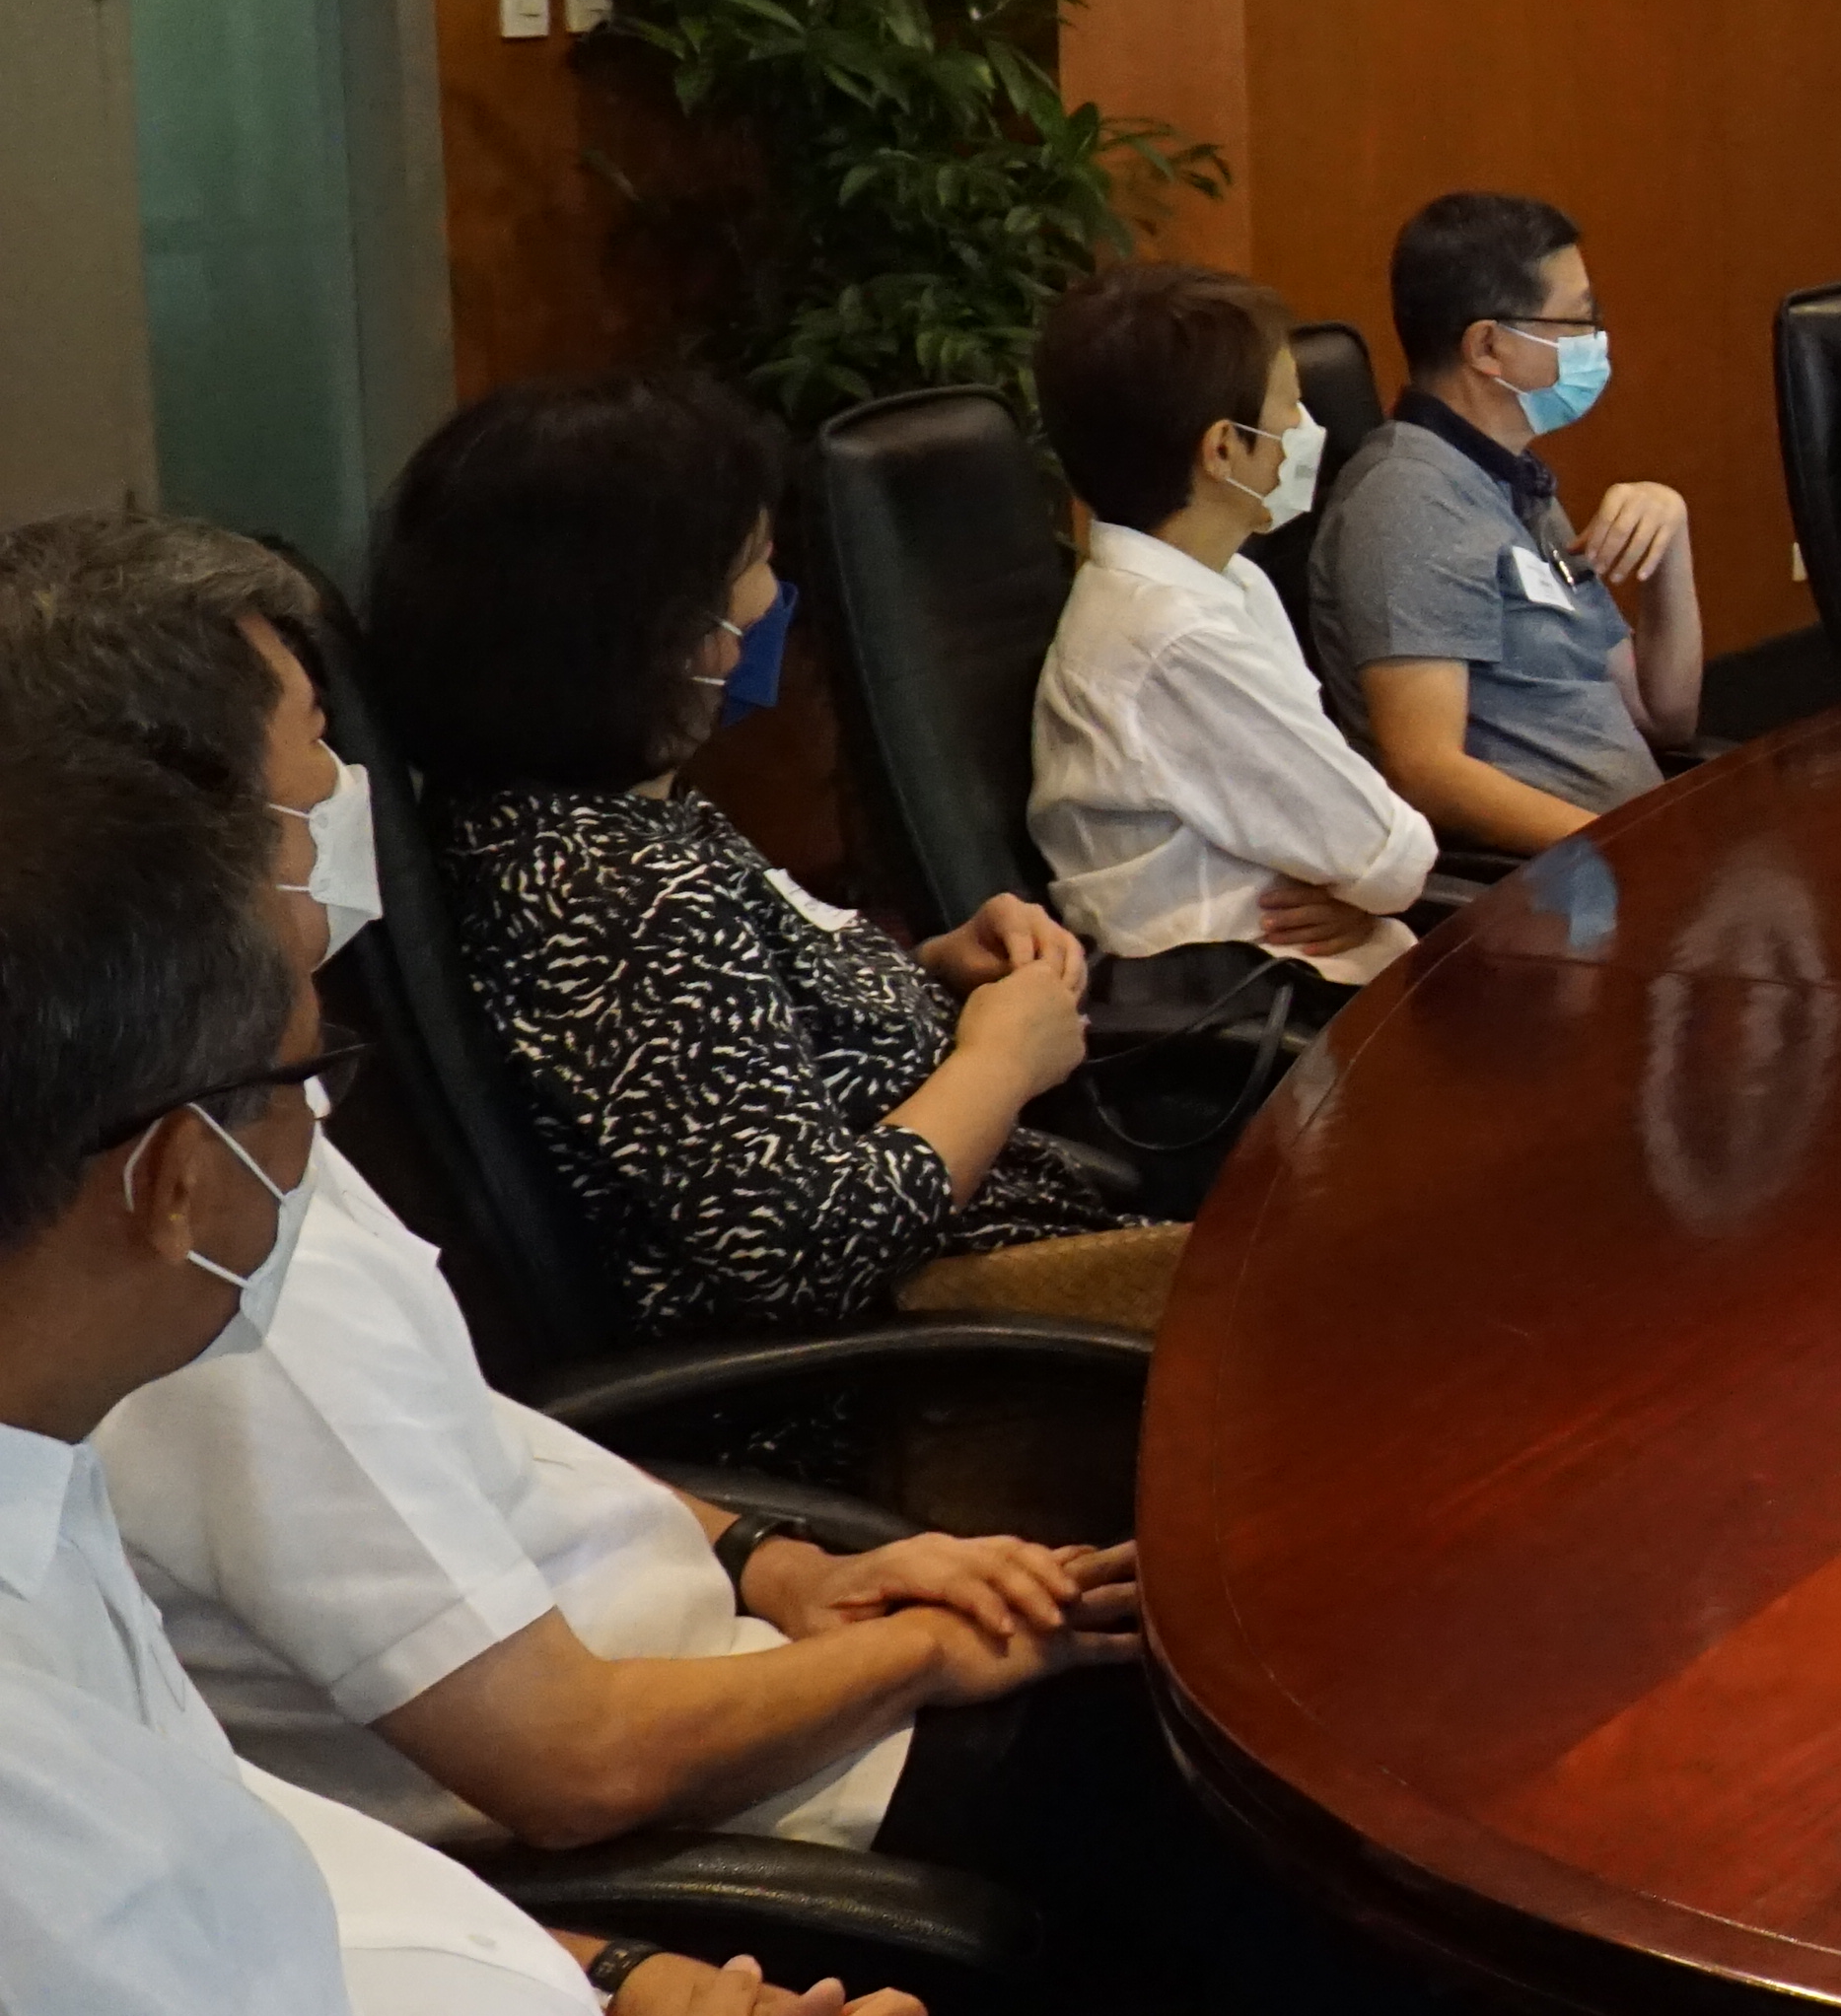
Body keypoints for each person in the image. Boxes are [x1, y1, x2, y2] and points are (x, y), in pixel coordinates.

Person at [0, 737, 1605, 2016]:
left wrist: (638, 1986)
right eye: (297, 1095)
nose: (317, 1151)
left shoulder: (36, 1474)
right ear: (170, 1174)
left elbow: (281, 1866)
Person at [0, 512, 1142, 1875]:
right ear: (190, 813)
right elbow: (575, 1759)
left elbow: (478, 1441)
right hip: (761, 1795)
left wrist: (780, 1560)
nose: (354, 777)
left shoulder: (244, 1113)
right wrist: (922, 1654)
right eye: (315, 734)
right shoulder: (199, 1265)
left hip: (759, 1652)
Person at [367, 375, 1180, 1339]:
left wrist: (930, 974)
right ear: (652, 630)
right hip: (929, 1368)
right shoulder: (616, 896)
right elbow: (810, 1248)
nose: (771, 598)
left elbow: (727, 1053)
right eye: (751, 562)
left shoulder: (596, 814)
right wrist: (1003, 1058)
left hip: (995, 1290)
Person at [1028, 262, 1437, 993]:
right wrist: (1361, 880)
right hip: (1244, 1003)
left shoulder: (1228, 578)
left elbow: (1355, 846)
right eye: (1290, 411)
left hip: (1312, 971)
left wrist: (1357, 881)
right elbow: (1387, 854)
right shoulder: (1173, 638)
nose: (1308, 433)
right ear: (1222, 450)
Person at [1311, 189, 1701, 852]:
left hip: (1634, 853)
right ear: (1488, 346)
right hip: (1556, 891)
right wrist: (1634, 852)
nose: (1597, 342)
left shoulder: (1512, 481)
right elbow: (1425, 770)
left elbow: (1664, 716)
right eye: (1577, 323)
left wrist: (1672, 545)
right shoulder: (1406, 501)